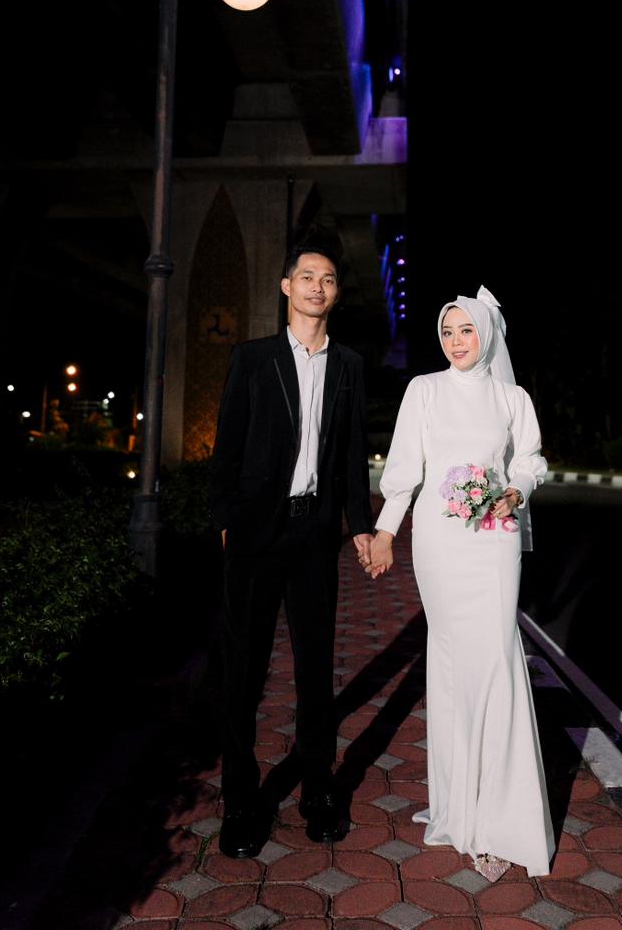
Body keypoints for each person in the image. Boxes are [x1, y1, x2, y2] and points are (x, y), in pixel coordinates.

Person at [365, 286, 555, 880]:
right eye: (447, 332)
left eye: (466, 330)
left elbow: (529, 458)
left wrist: (515, 491)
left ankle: (501, 814)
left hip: (495, 539)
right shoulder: (423, 390)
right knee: (449, 663)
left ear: (487, 334)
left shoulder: (512, 397)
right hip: (439, 542)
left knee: (496, 657)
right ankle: (456, 807)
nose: (455, 341)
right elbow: (404, 469)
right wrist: (385, 532)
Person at [210, 245, 374, 858]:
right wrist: (225, 521)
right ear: (286, 286)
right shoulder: (253, 359)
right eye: (307, 276)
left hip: (314, 533)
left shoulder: (349, 365)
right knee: (243, 668)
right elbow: (227, 445)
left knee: (314, 666)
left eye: (327, 279)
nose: (317, 287)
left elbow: (352, 452)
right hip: (255, 533)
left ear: (335, 293)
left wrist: (360, 524)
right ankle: (239, 799)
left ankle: (318, 790)